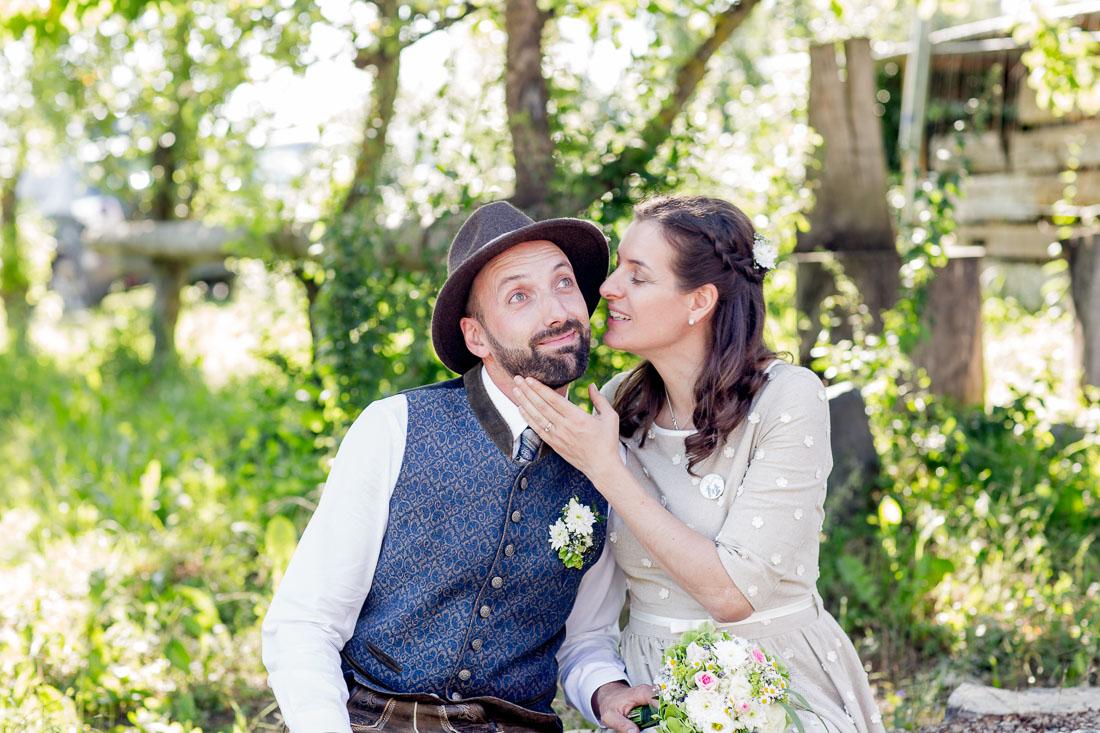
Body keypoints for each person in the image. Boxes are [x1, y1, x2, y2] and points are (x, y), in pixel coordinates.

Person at [261, 201, 653, 733]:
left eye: (564, 284)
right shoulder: (394, 429)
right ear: (477, 338)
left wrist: (605, 692)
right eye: (520, 296)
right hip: (375, 719)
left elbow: (585, 638)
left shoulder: (609, 464)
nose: (557, 311)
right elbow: (306, 624)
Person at [512, 195, 885, 732]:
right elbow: (590, 611)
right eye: (619, 268)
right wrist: (607, 690)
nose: (608, 288)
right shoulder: (618, 403)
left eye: (638, 277)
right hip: (655, 687)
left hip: (774, 685)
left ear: (699, 301)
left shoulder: (788, 399)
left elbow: (732, 594)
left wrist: (605, 468)